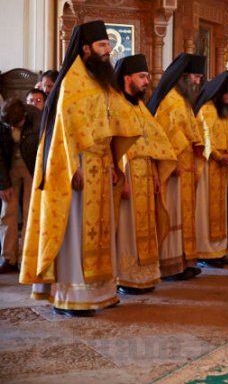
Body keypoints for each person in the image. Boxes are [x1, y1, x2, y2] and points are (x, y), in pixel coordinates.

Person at [20, 20, 141, 317]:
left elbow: (116, 120)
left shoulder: (102, 81)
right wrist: (73, 167)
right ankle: (72, 295)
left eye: (108, 45)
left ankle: (102, 292)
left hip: (101, 163)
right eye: (102, 45)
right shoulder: (72, 82)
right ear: (86, 48)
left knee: (101, 230)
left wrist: (113, 161)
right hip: (78, 166)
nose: (107, 51)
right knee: (75, 230)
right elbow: (64, 131)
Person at [114, 54, 176, 294]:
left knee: (146, 226)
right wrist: (122, 178)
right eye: (142, 76)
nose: (147, 81)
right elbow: (115, 143)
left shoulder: (140, 107)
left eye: (147, 77)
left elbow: (154, 142)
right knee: (127, 228)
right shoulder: (116, 104)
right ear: (127, 78)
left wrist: (156, 176)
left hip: (146, 173)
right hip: (127, 174)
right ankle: (126, 278)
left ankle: (145, 276)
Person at [146, 53, 206, 281]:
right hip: (172, 168)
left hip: (186, 165)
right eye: (195, 77)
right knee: (173, 213)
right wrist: (172, 160)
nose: (198, 82)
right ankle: (170, 265)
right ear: (183, 76)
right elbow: (162, 133)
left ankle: (184, 260)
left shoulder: (183, 99)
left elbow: (191, 130)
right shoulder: (170, 100)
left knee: (185, 214)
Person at [194, 71, 228, 268]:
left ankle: (218, 250)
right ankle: (204, 251)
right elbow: (203, 137)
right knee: (205, 209)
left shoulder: (225, 112)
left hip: (221, 167)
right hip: (207, 166)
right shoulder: (206, 110)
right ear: (220, 93)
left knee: (220, 210)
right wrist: (218, 155)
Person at [0, 99, 41, 274]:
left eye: (16, 124)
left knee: (30, 211)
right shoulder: (3, 121)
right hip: (10, 167)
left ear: (25, 114)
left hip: (33, 167)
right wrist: (4, 185)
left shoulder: (37, 117)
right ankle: (8, 257)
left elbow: (45, 147)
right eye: (10, 125)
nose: (13, 128)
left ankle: (26, 257)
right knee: (7, 211)